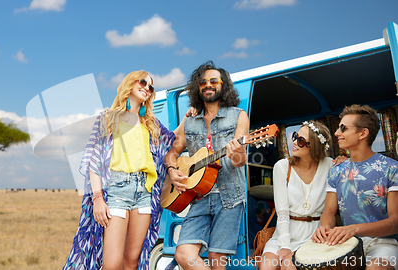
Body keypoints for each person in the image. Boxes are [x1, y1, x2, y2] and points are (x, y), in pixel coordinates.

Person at [63, 71, 175, 270]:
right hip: (116, 191)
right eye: (143, 82)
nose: (147, 88)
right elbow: (93, 161)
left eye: (151, 86)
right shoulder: (108, 118)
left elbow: (174, 142)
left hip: (144, 193)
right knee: (112, 264)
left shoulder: (151, 124)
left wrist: (190, 116)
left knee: (132, 261)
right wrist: (97, 198)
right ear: (130, 84)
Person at [164, 61, 249, 270]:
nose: (208, 85)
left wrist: (237, 153)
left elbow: (240, 162)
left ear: (223, 85)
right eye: (202, 82)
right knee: (183, 254)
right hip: (198, 196)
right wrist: (172, 170)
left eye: (213, 81)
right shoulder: (190, 121)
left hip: (230, 197)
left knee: (217, 260)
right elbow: (171, 153)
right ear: (197, 87)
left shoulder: (238, 115)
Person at [312, 104, 398, 270]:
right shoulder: (336, 170)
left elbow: (395, 222)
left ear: (363, 133)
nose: (337, 133)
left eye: (343, 128)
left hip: (385, 244)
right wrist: (324, 228)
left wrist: (354, 229)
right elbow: (329, 213)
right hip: (347, 243)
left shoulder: (392, 169)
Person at [260, 121, 333, 269]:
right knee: (267, 266)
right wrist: (285, 245)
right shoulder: (282, 167)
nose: (293, 142)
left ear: (315, 147)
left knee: (290, 265)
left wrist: (343, 159)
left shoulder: (330, 166)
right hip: (285, 231)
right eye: (295, 136)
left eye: (300, 141)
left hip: (315, 234)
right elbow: (282, 212)